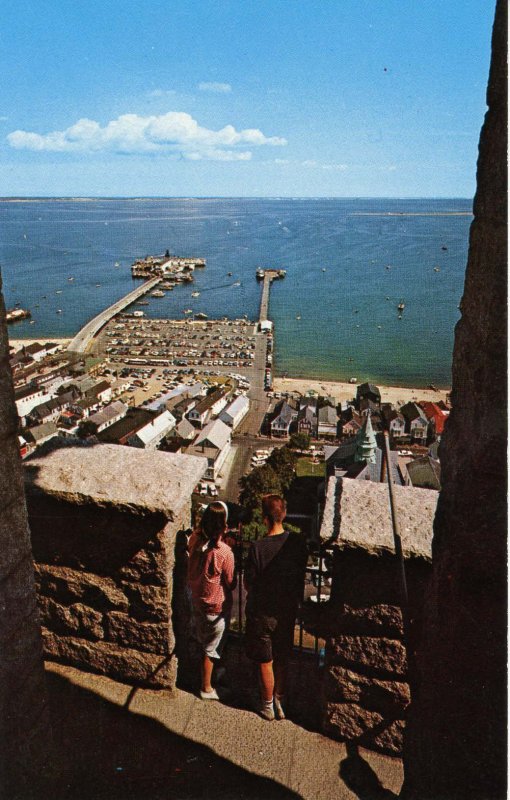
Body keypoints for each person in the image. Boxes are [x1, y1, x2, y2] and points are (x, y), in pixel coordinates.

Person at [244, 494, 308, 721]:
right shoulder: (297, 544)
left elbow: (249, 583)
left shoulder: (257, 548)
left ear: (264, 519)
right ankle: (280, 699)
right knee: (282, 656)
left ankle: (267, 705)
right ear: (284, 515)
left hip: (263, 612)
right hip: (287, 610)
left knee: (265, 659)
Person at [188, 501, 236, 700]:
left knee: (203, 640)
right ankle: (206, 687)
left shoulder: (194, 540)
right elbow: (231, 582)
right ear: (223, 526)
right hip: (215, 606)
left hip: (197, 600)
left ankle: (210, 674)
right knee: (212, 648)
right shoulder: (224, 552)